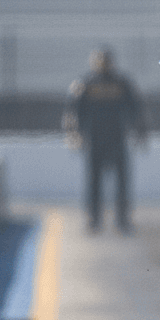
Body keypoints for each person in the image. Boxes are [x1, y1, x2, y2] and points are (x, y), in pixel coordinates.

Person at [64, 47, 147, 233]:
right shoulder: (85, 84)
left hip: (117, 140)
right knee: (94, 182)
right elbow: (73, 112)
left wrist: (141, 132)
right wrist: (74, 135)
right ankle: (94, 219)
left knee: (122, 182)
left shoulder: (122, 83)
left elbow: (136, 109)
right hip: (95, 141)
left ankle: (122, 219)